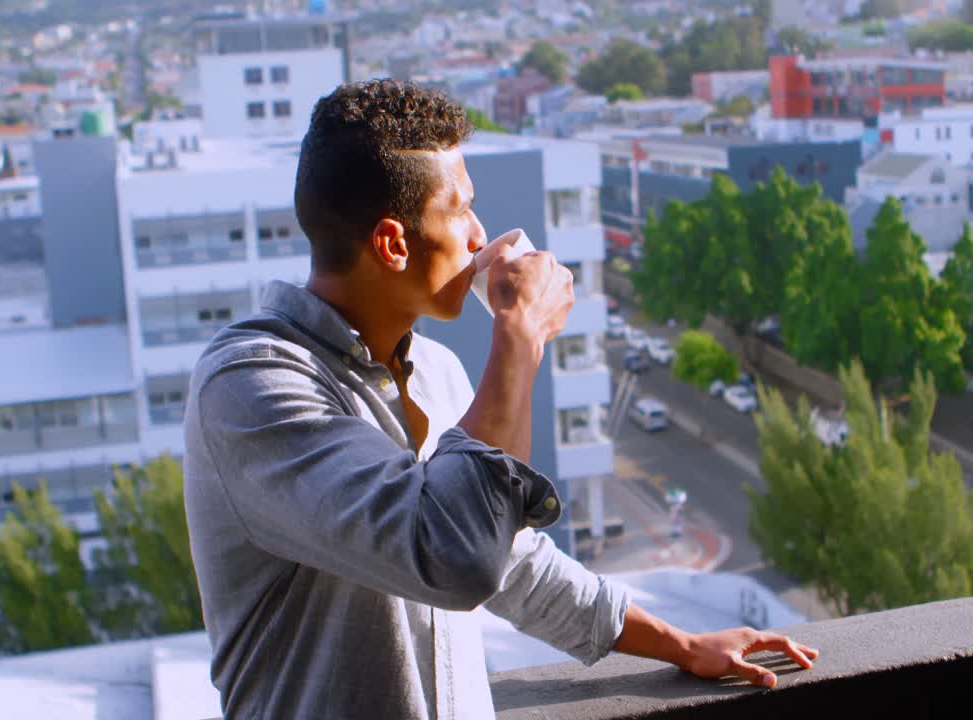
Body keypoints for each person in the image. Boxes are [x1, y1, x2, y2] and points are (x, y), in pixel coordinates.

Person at [182, 79, 817, 720]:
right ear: (393, 244)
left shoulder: (437, 371)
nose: (480, 234)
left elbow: (511, 562)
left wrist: (682, 645)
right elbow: (455, 554)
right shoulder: (252, 386)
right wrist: (520, 336)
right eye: (460, 210)